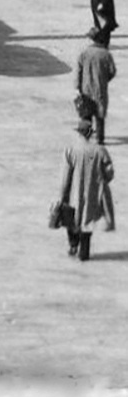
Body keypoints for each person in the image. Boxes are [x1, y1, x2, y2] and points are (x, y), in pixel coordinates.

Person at [60, 100, 115, 261]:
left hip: (73, 194)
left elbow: (65, 177)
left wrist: (62, 196)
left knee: (72, 220)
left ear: (79, 133)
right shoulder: (100, 150)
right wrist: (103, 180)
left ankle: (72, 244)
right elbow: (110, 172)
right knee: (87, 222)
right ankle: (84, 254)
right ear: (91, 133)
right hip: (92, 193)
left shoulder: (70, 151)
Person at [75, 28, 117, 143]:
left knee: (86, 115)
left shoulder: (84, 53)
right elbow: (112, 71)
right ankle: (100, 139)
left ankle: (85, 138)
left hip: (86, 89)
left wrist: (77, 87)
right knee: (100, 115)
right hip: (100, 89)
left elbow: (78, 71)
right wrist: (104, 80)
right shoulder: (106, 54)